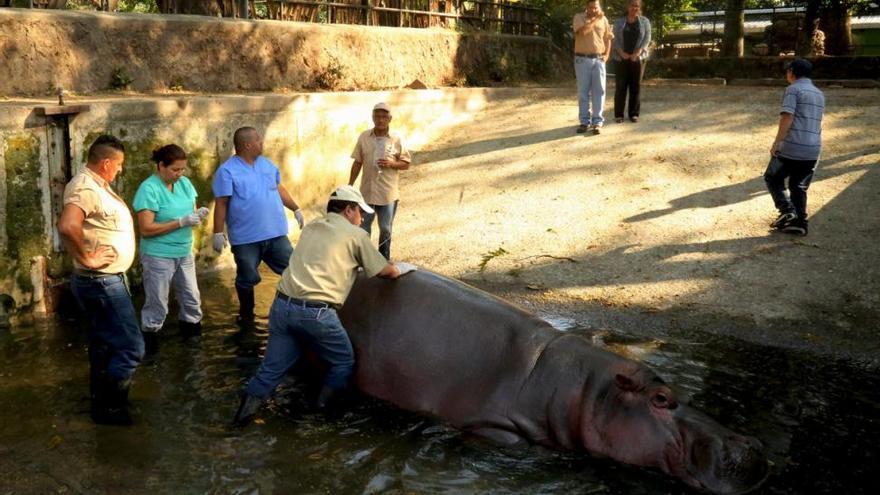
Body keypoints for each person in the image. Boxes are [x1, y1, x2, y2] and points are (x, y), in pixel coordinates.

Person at [232, 185, 405, 427]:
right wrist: (400, 269)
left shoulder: (312, 227)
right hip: (316, 314)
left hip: (282, 306)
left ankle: (238, 424)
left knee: (269, 372)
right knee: (343, 362)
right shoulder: (356, 235)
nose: (363, 217)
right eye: (360, 212)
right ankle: (321, 417)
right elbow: (385, 271)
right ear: (348, 210)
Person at [57, 135, 142, 425]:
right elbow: (68, 225)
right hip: (101, 281)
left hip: (104, 280)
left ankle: (99, 405)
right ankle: (114, 410)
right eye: (118, 165)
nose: (120, 170)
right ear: (106, 163)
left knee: (103, 345)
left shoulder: (97, 185)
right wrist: (88, 258)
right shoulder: (85, 187)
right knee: (131, 347)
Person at [211, 127, 305, 322]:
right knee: (247, 279)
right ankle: (247, 315)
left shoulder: (267, 165)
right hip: (246, 239)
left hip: (276, 234)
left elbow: (279, 188)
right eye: (258, 140)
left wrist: (295, 208)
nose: (262, 142)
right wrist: (217, 233)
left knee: (295, 271)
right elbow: (222, 203)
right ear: (247, 145)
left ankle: (298, 311)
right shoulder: (227, 171)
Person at [132, 144, 208, 356]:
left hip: (184, 251)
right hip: (158, 255)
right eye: (175, 169)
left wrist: (197, 215)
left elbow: (190, 212)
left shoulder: (184, 184)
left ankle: (192, 346)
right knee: (158, 304)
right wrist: (181, 222)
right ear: (161, 166)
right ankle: (150, 348)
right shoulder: (149, 188)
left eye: (183, 169)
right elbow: (146, 229)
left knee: (192, 298)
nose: (180, 174)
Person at [764, 58, 825, 236]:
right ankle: (800, 222)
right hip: (813, 149)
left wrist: (778, 142)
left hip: (792, 147)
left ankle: (787, 210)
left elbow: (787, 117)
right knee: (799, 186)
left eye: (787, 71)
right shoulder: (819, 94)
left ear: (791, 72)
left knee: (772, 177)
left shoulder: (793, 90)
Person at [348, 102, 412, 259]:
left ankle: (383, 260)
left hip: (387, 194)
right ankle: (365, 260)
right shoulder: (364, 137)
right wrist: (350, 185)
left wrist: (391, 164)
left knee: (385, 229)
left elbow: (406, 163)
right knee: (363, 228)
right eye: (377, 116)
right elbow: (357, 162)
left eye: (384, 116)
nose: (380, 119)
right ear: (372, 117)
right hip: (366, 193)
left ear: (389, 119)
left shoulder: (396, 139)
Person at [573, 0, 614, 135]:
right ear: (587, 7)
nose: (594, 10)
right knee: (583, 93)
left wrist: (607, 55)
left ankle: (597, 122)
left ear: (599, 7)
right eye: (591, 7)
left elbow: (608, 38)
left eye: (596, 7)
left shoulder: (604, 20)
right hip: (582, 59)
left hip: (598, 60)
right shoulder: (579, 18)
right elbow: (584, 31)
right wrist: (596, 18)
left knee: (599, 92)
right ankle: (584, 122)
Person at [612, 0, 651, 124]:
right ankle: (619, 115)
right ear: (627, 6)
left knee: (636, 86)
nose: (634, 8)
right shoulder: (619, 22)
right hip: (621, 58)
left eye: (637, 6)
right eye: (632, 5)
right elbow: (614, 39)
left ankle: (633, 114)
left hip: (638, 58)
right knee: (621, 87)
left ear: (640, 8)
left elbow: (647, 38)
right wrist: (621, 52)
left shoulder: (645, 22)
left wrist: (637, 53)